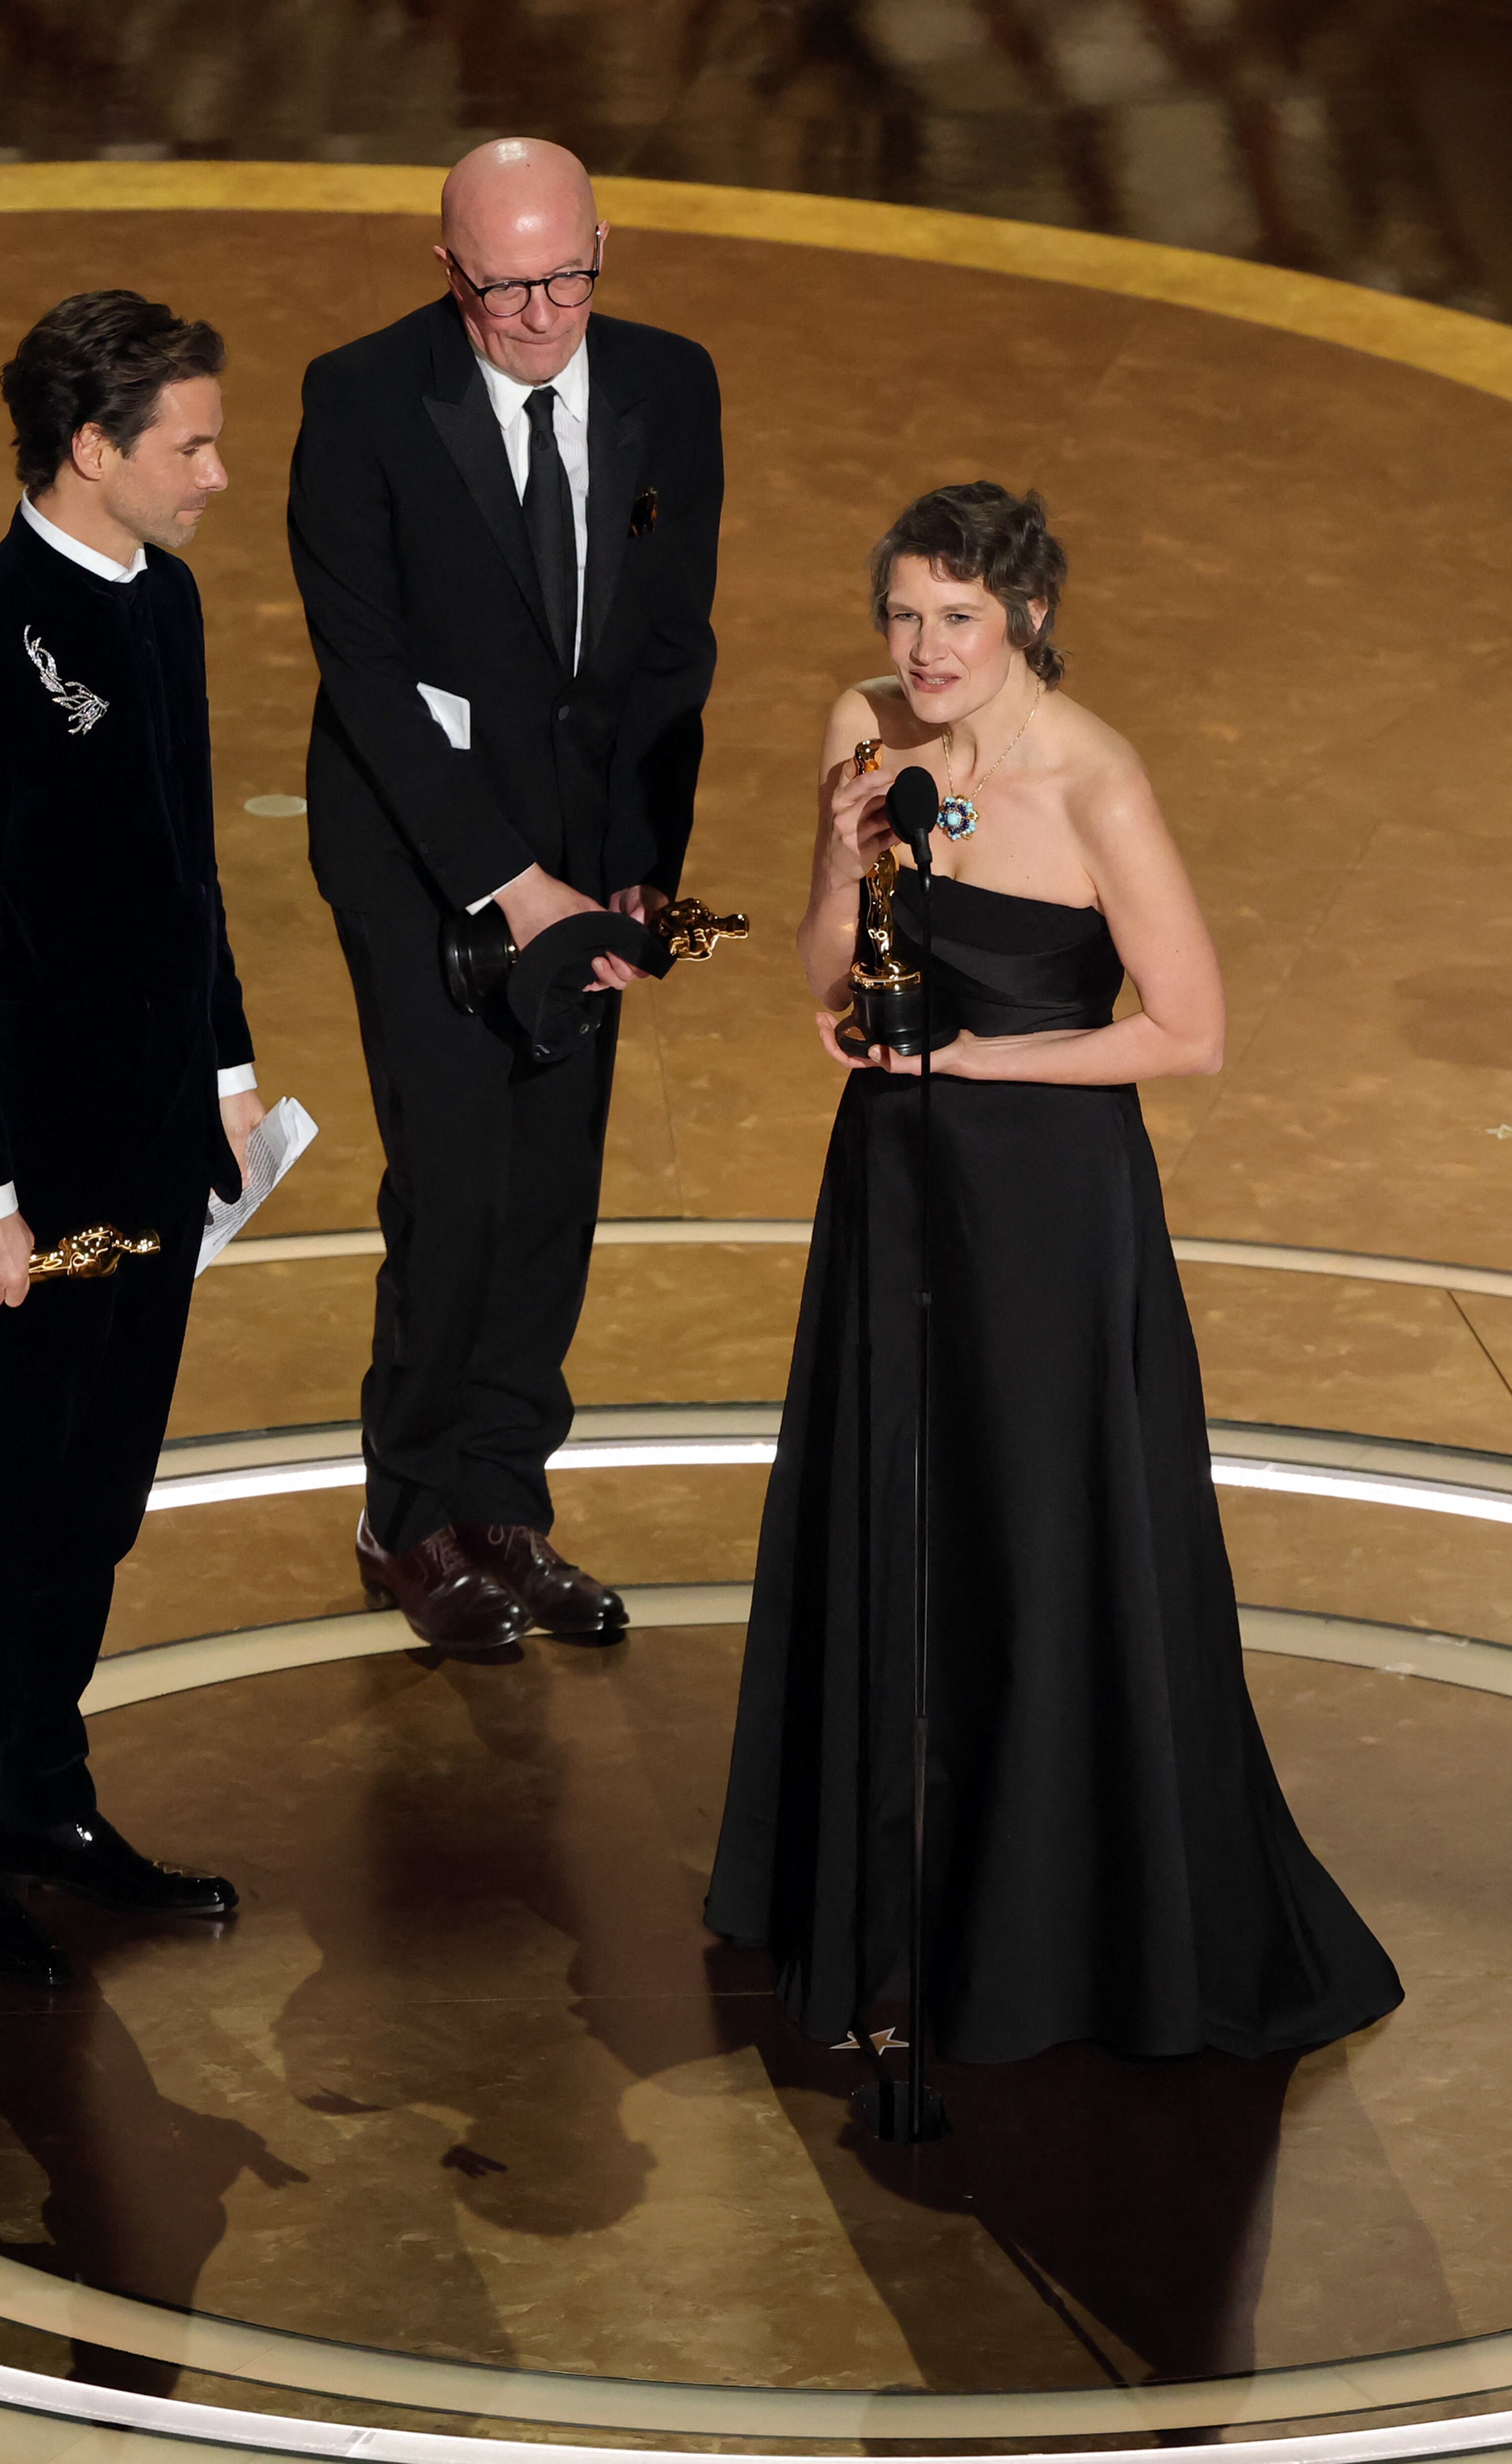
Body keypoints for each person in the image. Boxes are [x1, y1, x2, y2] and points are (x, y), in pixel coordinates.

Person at [706, 482, 1401, 2063]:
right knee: (893, 1513)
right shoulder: (863, 729)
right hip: (890, 1183)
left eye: (957, 617)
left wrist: (973, 1064)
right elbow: (828, 970)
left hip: (1040, 1207)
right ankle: (884, 1901)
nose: (922, 647)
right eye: (901, 614)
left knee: (1032, 1527)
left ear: (1024, 619)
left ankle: (1036, 1927)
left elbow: (1190, 1031)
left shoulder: (1097, 784)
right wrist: (834, 854)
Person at [0, 291, 266, 1990]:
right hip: (22, 1198)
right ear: (92, 449)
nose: (220, 475)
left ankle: (40, 1797)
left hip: (158, 1150)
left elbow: (182, 867)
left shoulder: (159, 605)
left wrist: (229, 1063)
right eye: (191, 443)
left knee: (93, 1500)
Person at [287, 137, 723, 1653]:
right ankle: (406, 1514)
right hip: (423, 855)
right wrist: (510, 883)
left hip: (585, 860)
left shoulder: (674, 382)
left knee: (549, 1193)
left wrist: (628, 879)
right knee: (458, 1187)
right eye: (504, 287)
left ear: (602, 246)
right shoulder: (358, 401)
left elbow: (672, 654)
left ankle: (504, 1504)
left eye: (566, 277)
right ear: (446, 267)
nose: (540, 314)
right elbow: (371, 684)